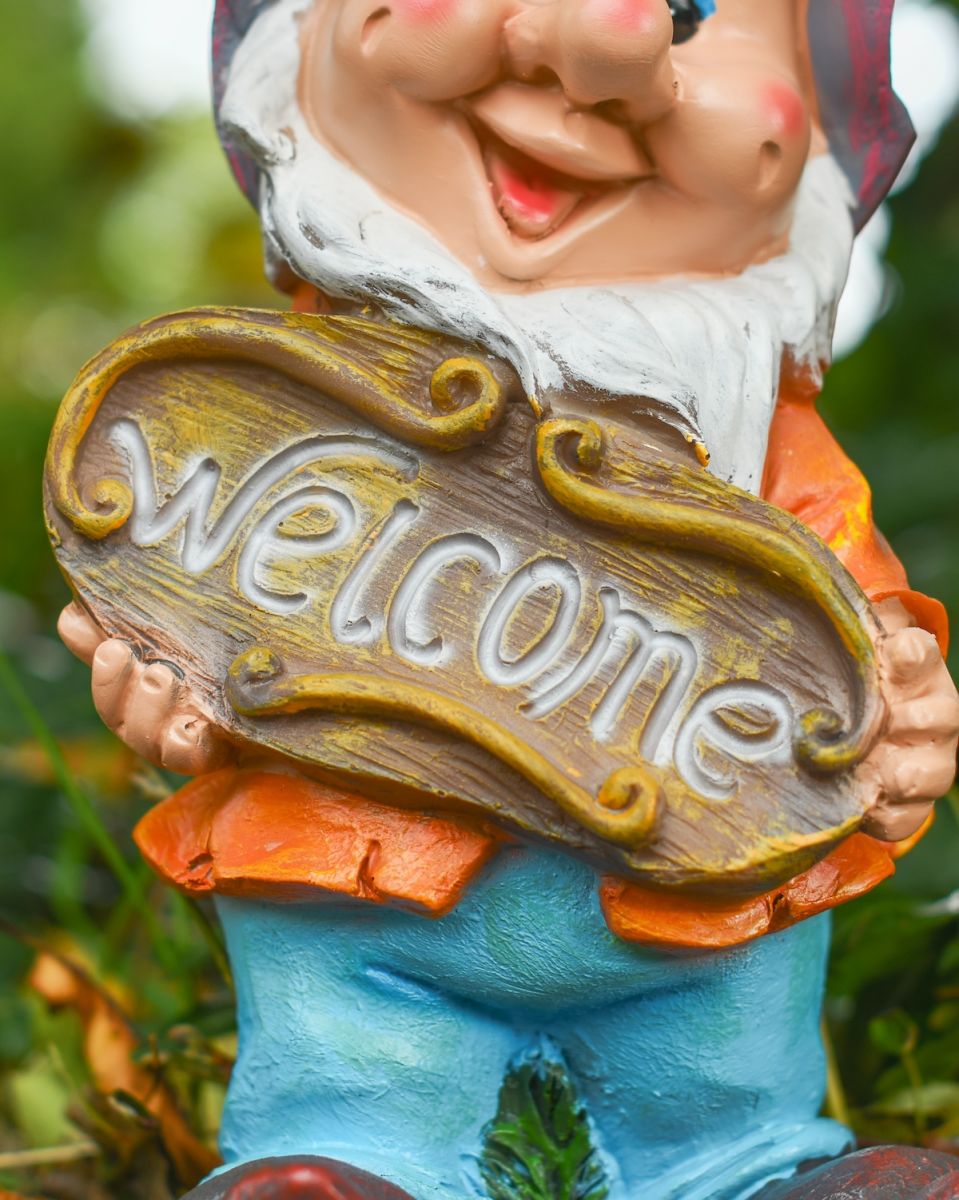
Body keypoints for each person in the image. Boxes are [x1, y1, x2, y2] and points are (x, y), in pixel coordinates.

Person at [58, 0, 959, 1195]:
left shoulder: (760, 454)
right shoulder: (256, 414)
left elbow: (852, 620)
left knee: (726, 1102)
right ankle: (343, 1159)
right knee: (354, 1099)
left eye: (695, 11)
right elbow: (201, 596)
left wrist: (895, 706)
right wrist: (183, 693)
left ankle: (747, 1169)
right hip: (362, 910)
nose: (602, 43)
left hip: (697, 933)